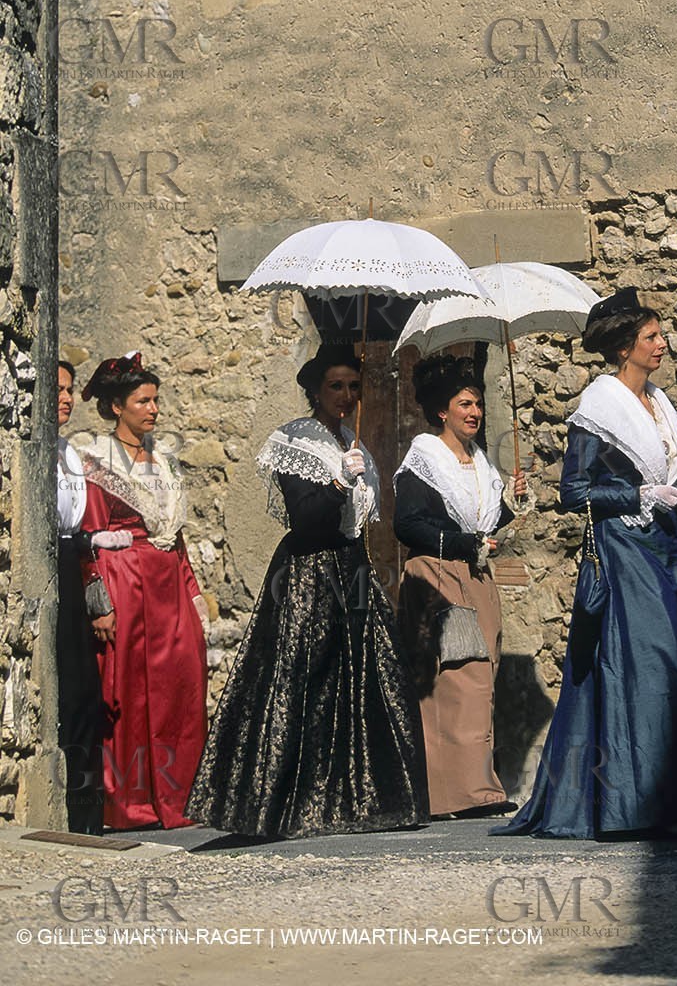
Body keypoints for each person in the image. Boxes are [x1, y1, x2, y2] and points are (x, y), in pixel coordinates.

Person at [501, 289, 677, 839]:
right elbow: (572, 491)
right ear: (626, 346)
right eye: (652, 337)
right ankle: (629, 804)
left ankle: (670, 800)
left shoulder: (663, 407)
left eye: (660, 335)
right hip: (623, 555)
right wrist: (636, 497)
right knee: (643, 672)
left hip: (665, 558)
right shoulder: (599, 409)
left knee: (674, 675)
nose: (663, 344)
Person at [187, 343, 428, 839]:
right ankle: (287, 805)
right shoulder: (295, 442)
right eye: (335, 386)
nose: (345, 395)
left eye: (353, 386)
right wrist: (338, 483)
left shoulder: (352, 443)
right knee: (304, 680)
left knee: (365, 679)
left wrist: (353, 474)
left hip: (352, 571)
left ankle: (355, 800)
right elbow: (307, 516)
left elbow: (357, 526)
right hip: (309, 573)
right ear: (315, 391)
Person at [77, 353, 208, 829]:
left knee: (181, 682)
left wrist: (194, 594)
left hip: (170, 581)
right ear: (117, 407)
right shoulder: (96, 462)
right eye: (142, 401)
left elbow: (178, 535)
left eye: (155, 400)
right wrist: (99, 603)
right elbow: (89, 539)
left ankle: (178, 797)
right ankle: (130, 804)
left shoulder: (165, 462)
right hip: (125, 580)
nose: (153, 409)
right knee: (130, 691)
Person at [394, 355, 527, 818]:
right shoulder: (425, 460)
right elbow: (407, 523)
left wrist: (512, 502)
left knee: (481, 677)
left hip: (475, 577)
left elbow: (484, 524)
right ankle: (457, 793)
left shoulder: (480, 463)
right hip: (439, 580)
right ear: (441, 412)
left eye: (477, 404)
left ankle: (471, 786)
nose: (473, 412)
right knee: (457, 681)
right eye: (464, 404)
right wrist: (460, 542)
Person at [56, 361, 105, 833]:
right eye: (58, 390)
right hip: (51, 562)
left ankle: (87, 811)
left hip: (72, 560)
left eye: (70, 390)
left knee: (86, 691)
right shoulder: (39, 454)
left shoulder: (68, 452)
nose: (67, 398)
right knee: (67, 687)